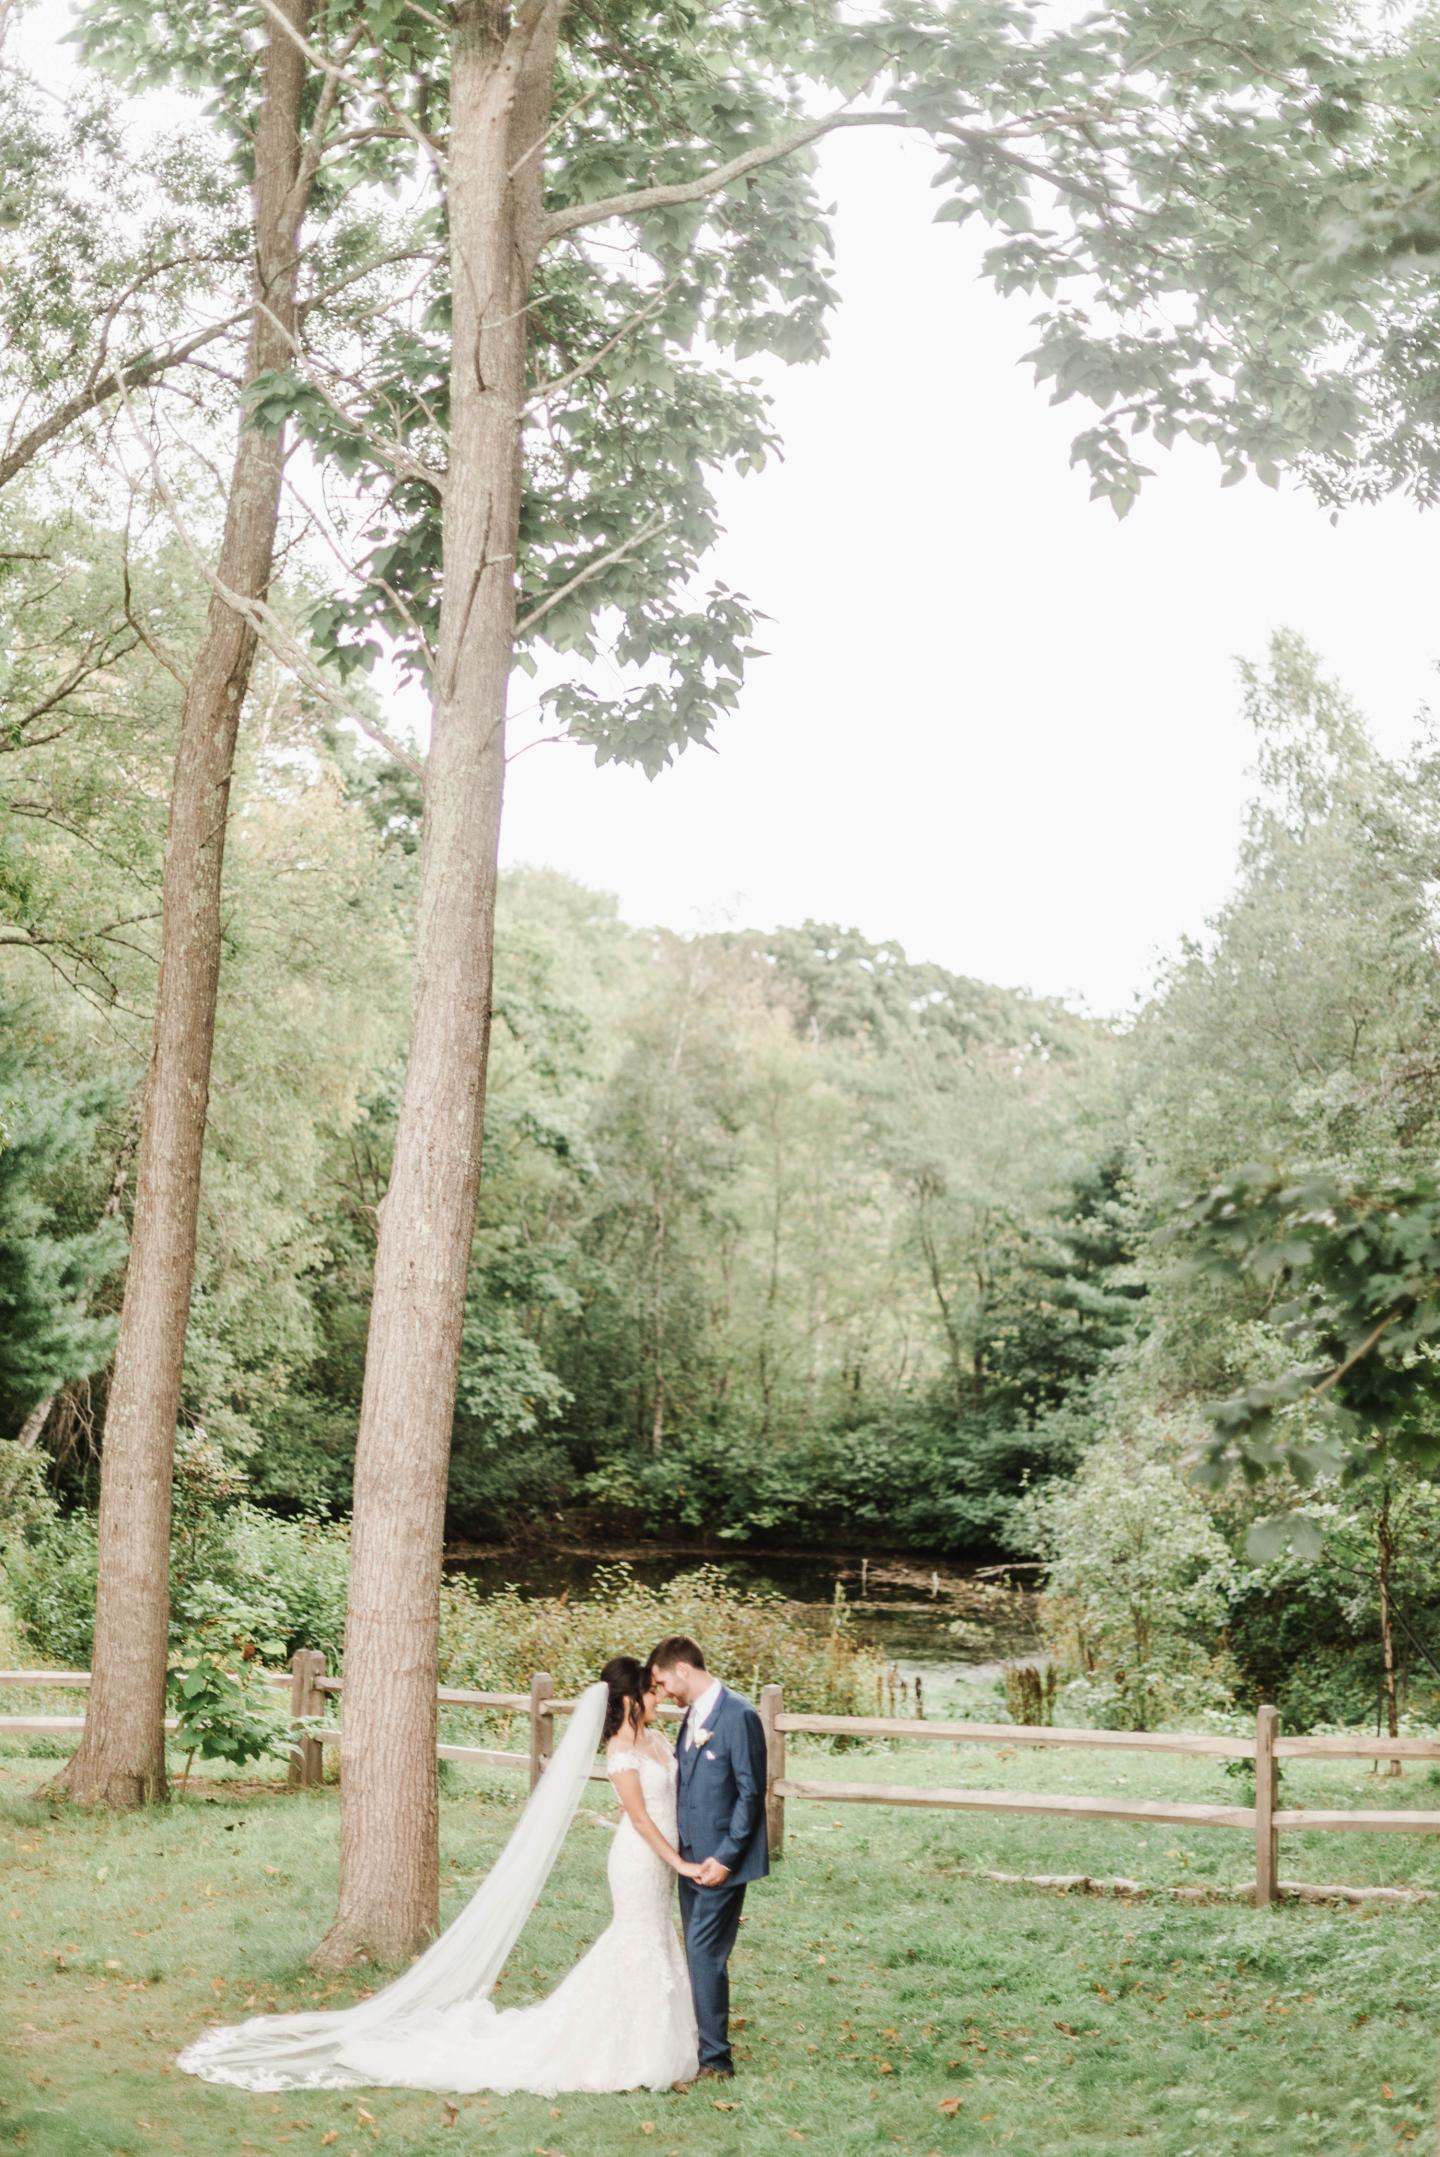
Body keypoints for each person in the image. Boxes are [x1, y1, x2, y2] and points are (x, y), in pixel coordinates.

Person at [175, 1658, 700, 2096]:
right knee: (636, 1939)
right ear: (629, 1699)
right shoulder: (622, 1753)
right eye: (651, 1692)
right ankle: (620, 2045)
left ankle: (647, 2037)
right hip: (639, 1857)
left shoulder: (655, 1741)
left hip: (664, 1858)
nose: (659, 1698)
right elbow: (638, 1816)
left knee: (653, 1937)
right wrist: (677, 1861)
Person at [647, 1634, 769, 2081]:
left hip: (719, 1862)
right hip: (689, 1858)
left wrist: (728, 1858)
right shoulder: (691, 1716)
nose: (663, 1693)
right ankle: (702, 2044)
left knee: (703, 1953)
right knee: (699, 1952)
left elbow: (750, 1793)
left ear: (683, 1668)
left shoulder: (740, 1715)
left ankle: (716, 2059)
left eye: (662, 1682)